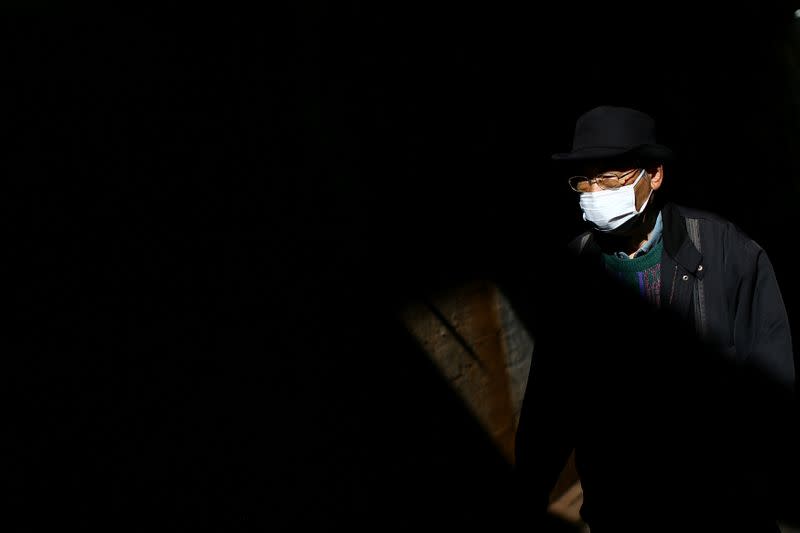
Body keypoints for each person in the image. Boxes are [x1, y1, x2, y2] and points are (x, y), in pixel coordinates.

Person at [513, 105, 797, 532]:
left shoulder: (728, 253)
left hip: (720, 507)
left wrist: (765, 491)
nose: (594, 191)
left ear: (655, 175)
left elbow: (774, 387)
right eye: (584, 180)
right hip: (622, 508)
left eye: (610, 177)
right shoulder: (571, 272)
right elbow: (550, 398)